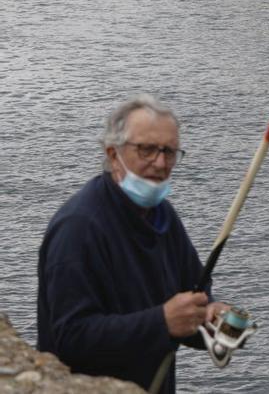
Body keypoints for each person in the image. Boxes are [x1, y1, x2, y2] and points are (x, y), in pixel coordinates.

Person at [37, 95, 228, 393]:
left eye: (169, 152)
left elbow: (193, 295)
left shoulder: (163, 216)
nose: (160, 163)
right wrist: (161, 323)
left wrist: (211, 318)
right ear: (114, 155)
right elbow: (70, 338)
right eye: (146, 149)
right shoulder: (79, 227)